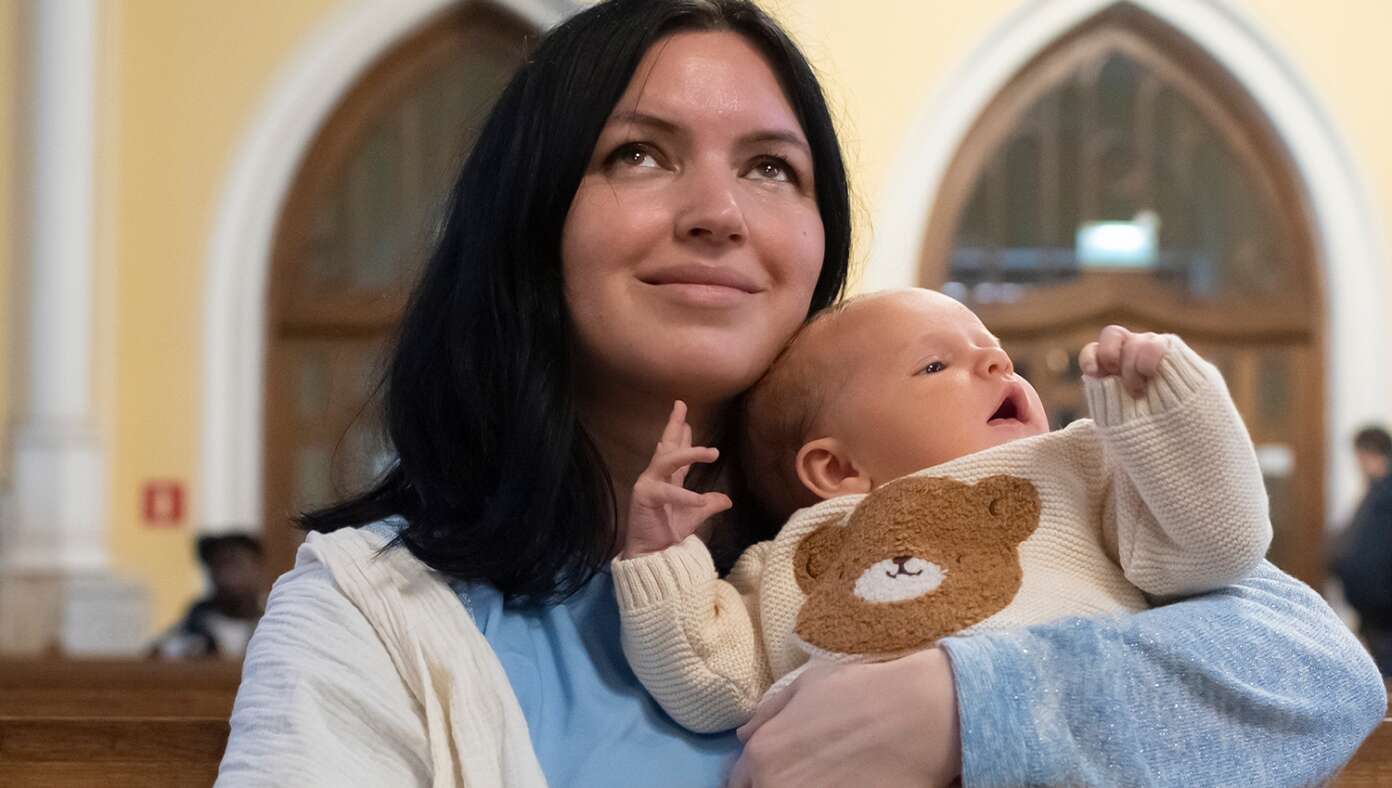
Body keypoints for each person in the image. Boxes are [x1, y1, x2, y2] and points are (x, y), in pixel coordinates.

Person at [216, 1, 1386, 786]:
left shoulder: (919, 489)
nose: (719, 210)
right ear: (529, 217)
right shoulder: (374, 613)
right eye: (638, 152)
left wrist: (965, 706)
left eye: (773, 166)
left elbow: (1318, 673)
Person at [614, 290, 1272, 733]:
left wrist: (1171, 417)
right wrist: (662, 558)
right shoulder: (793, 560)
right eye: (935, 364)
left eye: (992, 347)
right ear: (837, 469)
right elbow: (710, 683)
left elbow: (1216, 548)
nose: (997, 359)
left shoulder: (1078, 473)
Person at [1332, 425, 1392, 676]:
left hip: (1383, 619)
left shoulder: (1384, 495)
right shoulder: (1376, 492)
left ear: (1366, 454)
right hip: (1374, 617)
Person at [150, 533, 266, 659]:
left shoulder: (274, 620)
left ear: (258, 568)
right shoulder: (193, 625)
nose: (228, 576)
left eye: (236, 564)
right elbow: (155, 657)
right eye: (221, 565)